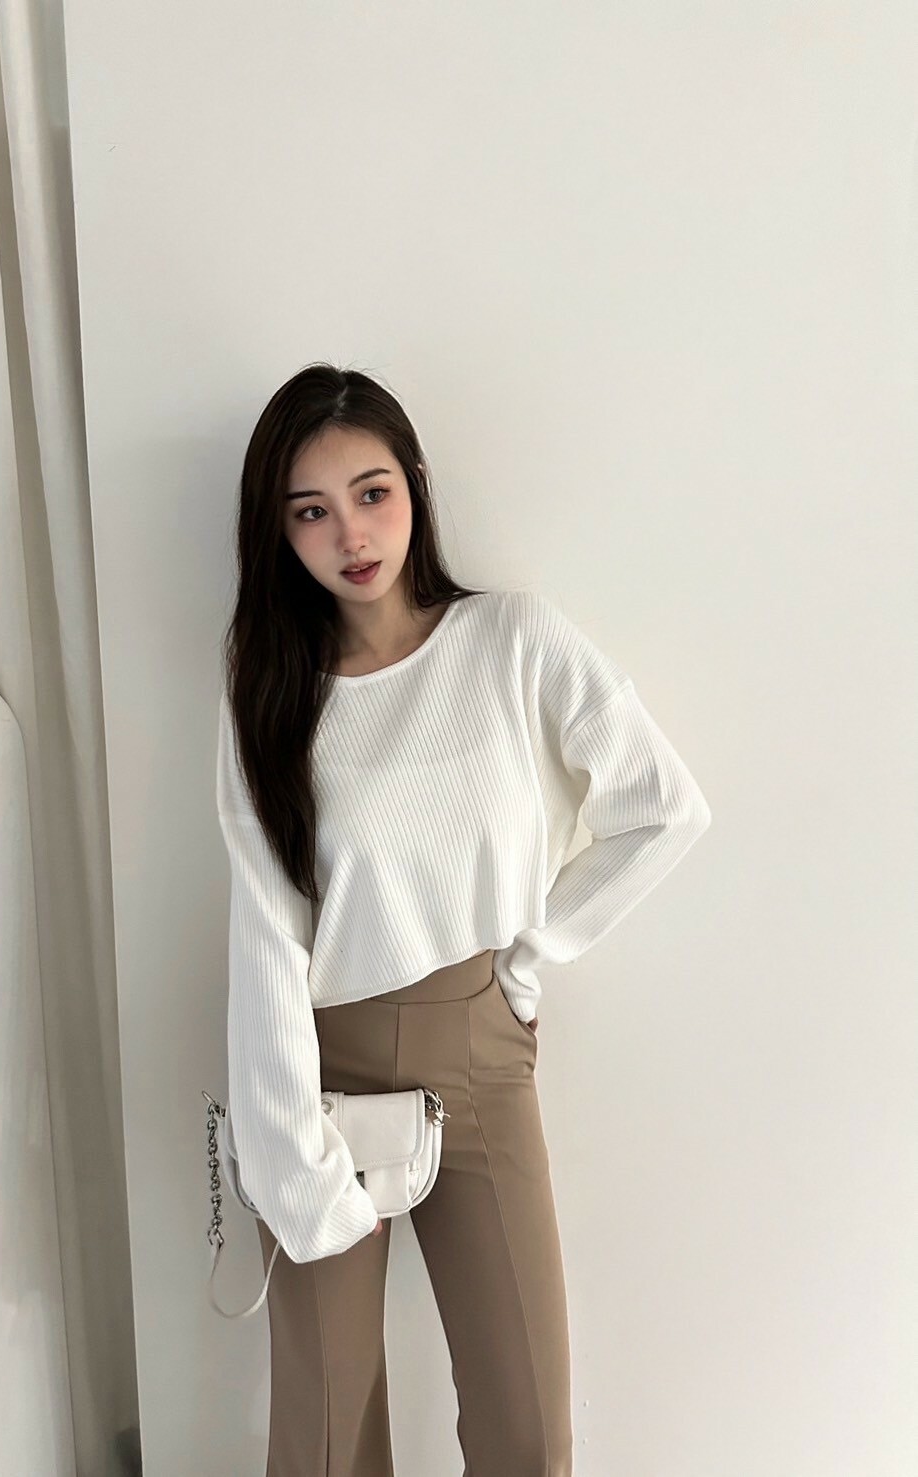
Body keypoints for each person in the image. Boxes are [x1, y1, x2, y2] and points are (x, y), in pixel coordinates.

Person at [215, 363, 711, 1477]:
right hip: (317, 1066)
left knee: (525, 1423)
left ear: (416, 485)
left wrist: (530, 960)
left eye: (372, 492)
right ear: (279, 532)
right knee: (325, 1437)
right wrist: (282, 1139)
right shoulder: (269, 686)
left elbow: (661, 806)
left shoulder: (511, 639)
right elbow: (263, 924)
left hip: (479, 1048)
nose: (351, 534)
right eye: (311, 510)